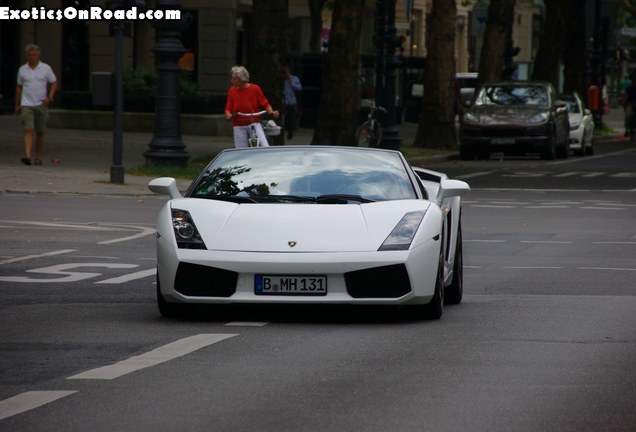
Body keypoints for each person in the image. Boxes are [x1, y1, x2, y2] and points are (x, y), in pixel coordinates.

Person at [15, 43, 58, 166]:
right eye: (29, 55)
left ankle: (38, 156)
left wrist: (50, 97)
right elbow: (19, 87)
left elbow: (54, 82)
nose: (31, 57)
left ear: (38, 55)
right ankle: (27, 155)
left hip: (41, 103)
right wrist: (17, 104)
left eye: (34, 55)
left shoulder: (46, 68)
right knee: (28, 128)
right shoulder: (22, 69)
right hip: (26, 103)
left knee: (40, 131)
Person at [224, 65, 279, 148]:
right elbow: (228, 108)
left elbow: (265, 104)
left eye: (234, 79)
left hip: (254, 122)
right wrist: (229, 115)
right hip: (238, 124)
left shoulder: (255, 89)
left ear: (242, 80)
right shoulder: (232, 91)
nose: (232, 81)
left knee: (265, 146)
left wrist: (272, 112)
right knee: (240, 150)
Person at [282, 65, 302, 140]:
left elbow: (299, 88)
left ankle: (290, 132)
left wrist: (291, 83)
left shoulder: (294, 78)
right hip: (284, 101)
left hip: (292, 101)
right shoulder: (282, 80)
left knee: (291, 118)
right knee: (283, 117)